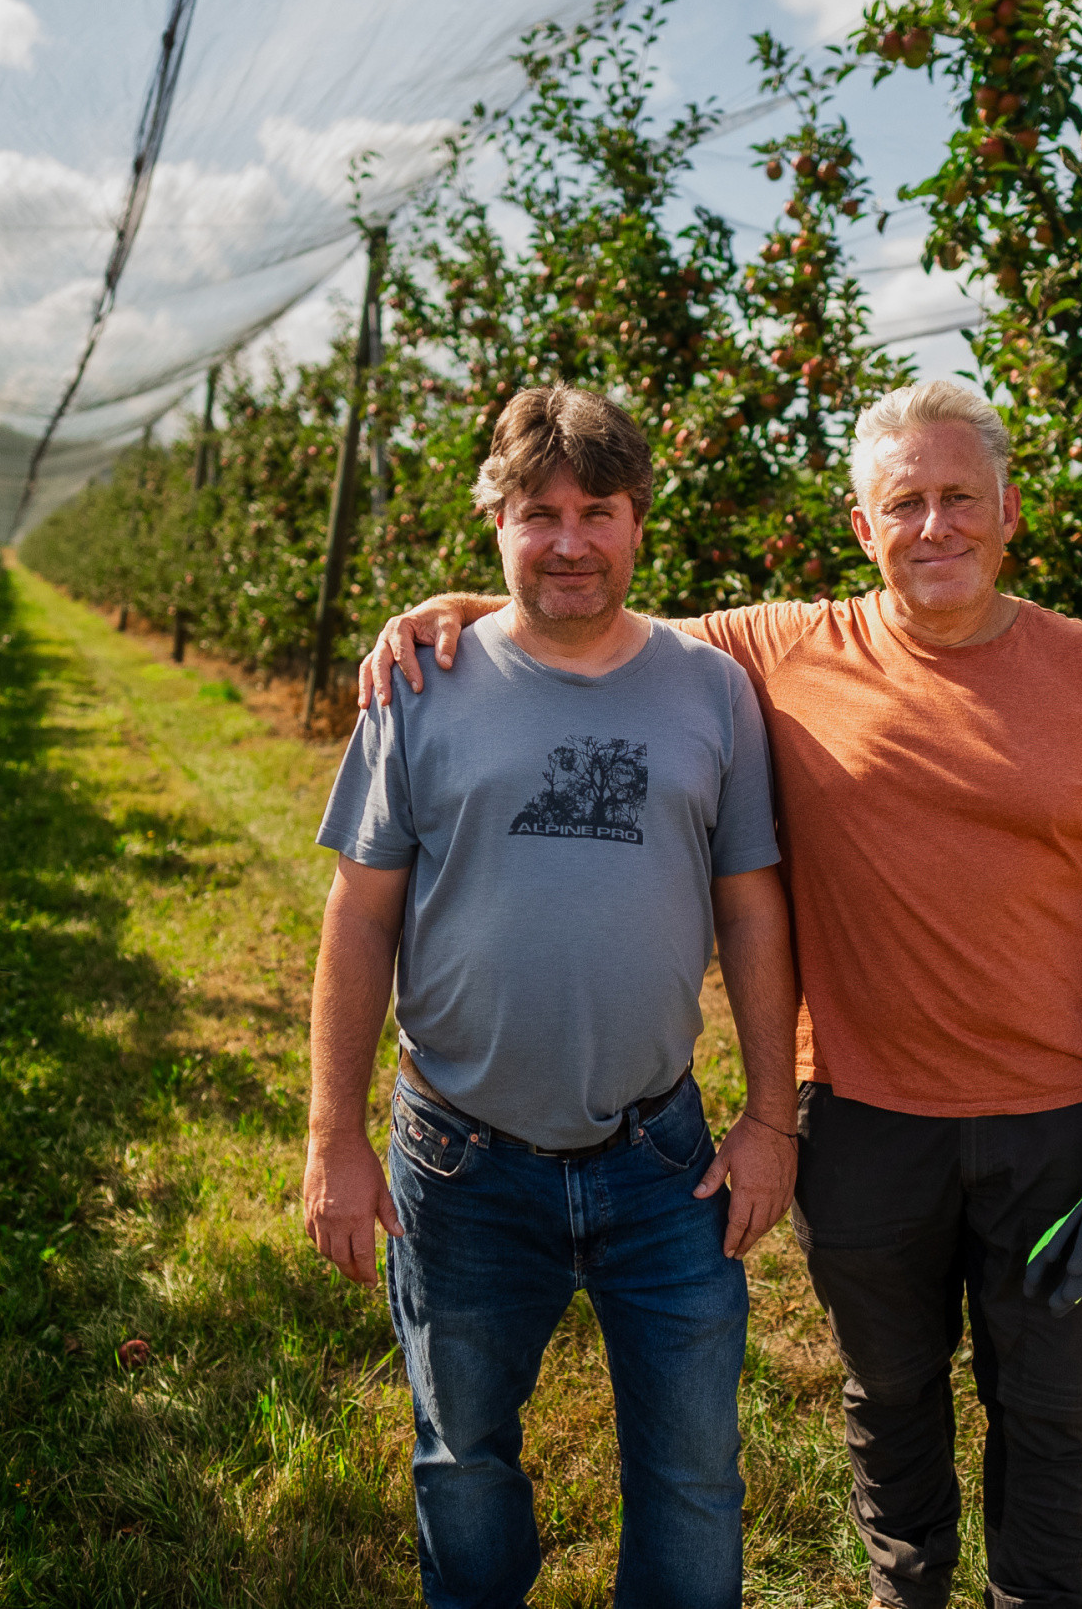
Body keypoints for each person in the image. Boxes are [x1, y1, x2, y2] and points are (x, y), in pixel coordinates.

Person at [357, 378, 1082, 1609]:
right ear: (862, 528)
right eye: (901, 502)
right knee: (892, 1394)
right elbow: (598, 613)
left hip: (1056, 1124)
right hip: (861, 1117)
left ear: (1010, 508)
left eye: (958, 496)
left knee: (1051, 1409)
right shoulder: (781, 649)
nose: (933, 527)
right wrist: (473, 604)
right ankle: (902, 1592)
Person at [303, 384, 800, 1609]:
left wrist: (773, 1115)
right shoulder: (418, 684)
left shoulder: (710, 688)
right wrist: (333, 1134)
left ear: (638, 524)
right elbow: (360, 916)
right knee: (464, 1461)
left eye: (597, 510)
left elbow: (750, 909)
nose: (569, 540)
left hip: (659, 1155)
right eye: (539, 514)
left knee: (692, 1478)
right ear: (496, 524)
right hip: (461, 1155)